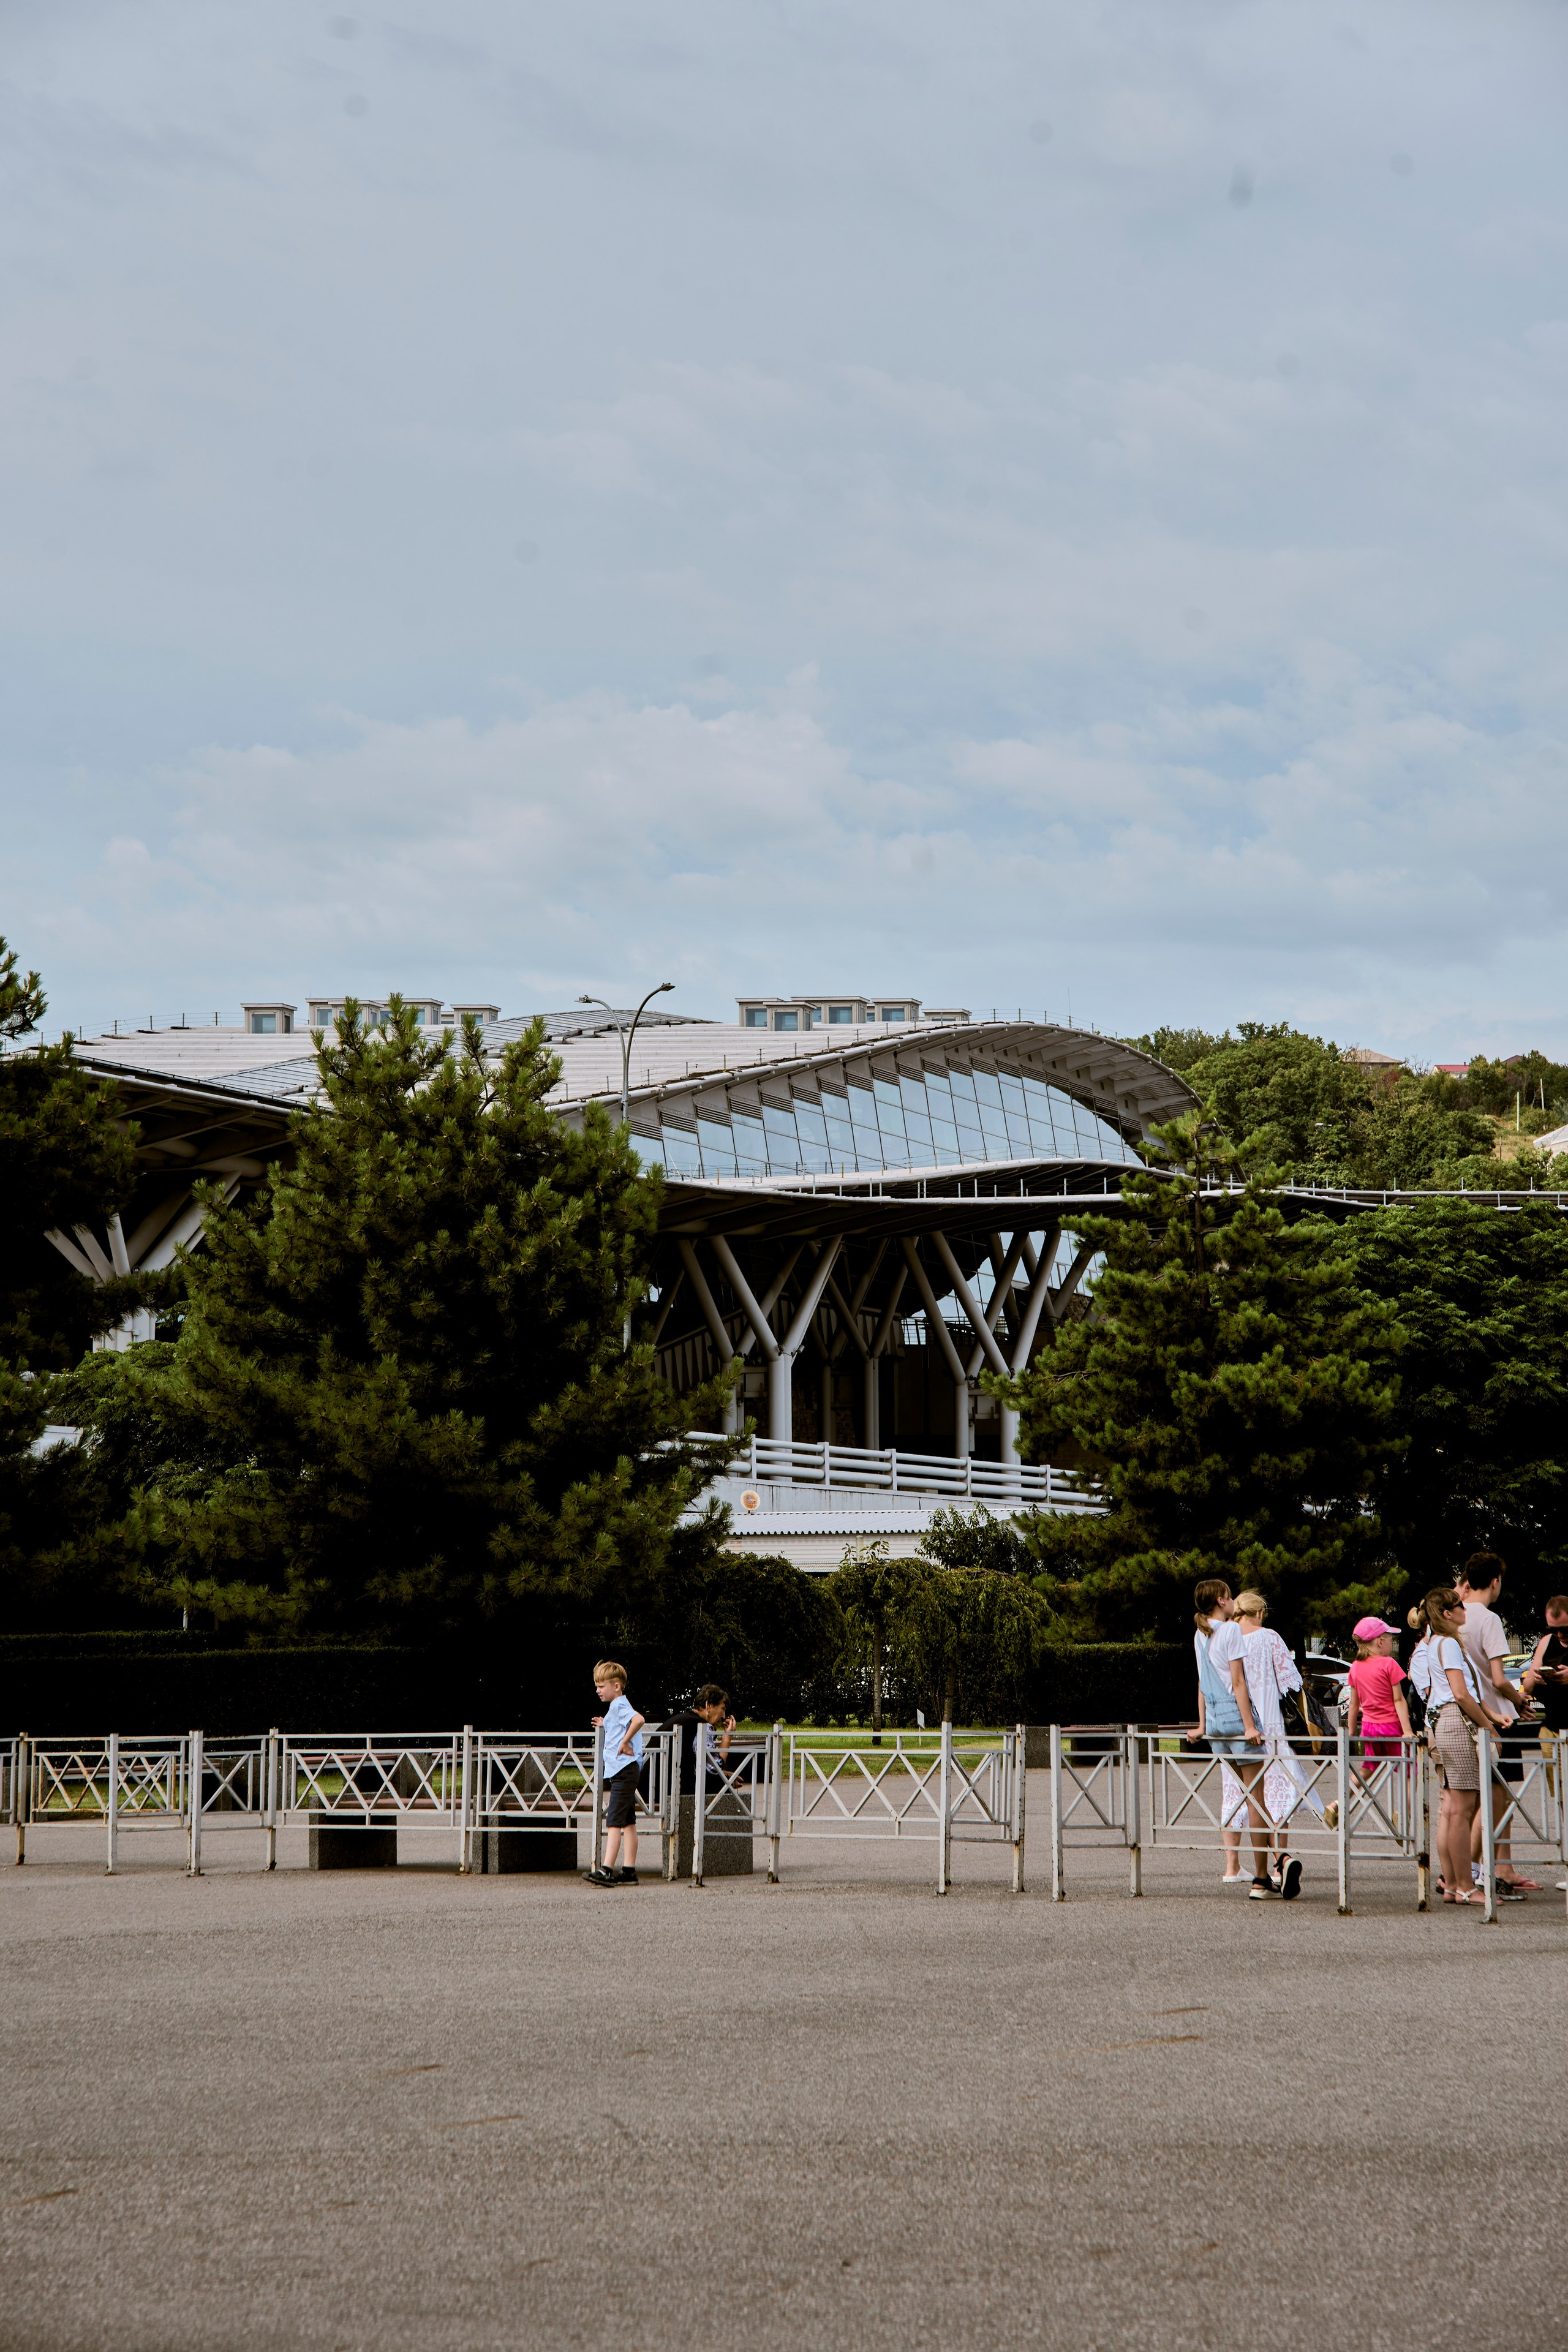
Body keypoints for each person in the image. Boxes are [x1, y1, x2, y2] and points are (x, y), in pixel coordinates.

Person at [1417, 1588, 1512, 1907]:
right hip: (1457, 1724)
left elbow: (1467, 1691)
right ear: (1447, 1613)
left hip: (1445, 1722)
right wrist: (1487, 1727)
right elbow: (1460, 1694)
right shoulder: (1449, 1645)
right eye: (1459, 1606)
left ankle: (1453, 1884)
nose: (1464, 1609)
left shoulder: (1440, 1643)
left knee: (1450, 1810)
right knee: (1461, 1810)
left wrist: (1492, 1714)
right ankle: (1465, 1887)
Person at [1232, 1590, 1330, 1900]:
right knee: (1279, 1797)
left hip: (1241, 1726)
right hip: (1272, 1723)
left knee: (1251, 1798)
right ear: (1259, 1613)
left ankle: (1260, 1871)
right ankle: (1280, 1863)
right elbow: (1290, 1682)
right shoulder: (1269, 1636)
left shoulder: (1227, 1638)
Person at [1456, 1552, 1541, 1894]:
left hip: (1467, 1716)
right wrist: (1520, 1698)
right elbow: (1498, 1677)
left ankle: (1497, 1867)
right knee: (1497, 1798)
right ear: (1495, 1581)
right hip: (1498, 1716)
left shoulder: (1455, 1617)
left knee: (1478, 1799)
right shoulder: (1488, 1619)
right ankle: (1477, 1871)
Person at [1191, 1579, 1268, 1891]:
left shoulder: (1200, 1633)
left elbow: (1202, 1682)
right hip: (1237, 1721)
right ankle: (1263, 1878)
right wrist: (1250, 1726)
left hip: (1215, 1724)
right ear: (1223, 1600)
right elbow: (1238, 1682)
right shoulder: (1231, 1630)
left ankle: (1260, 1868)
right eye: (1230, 1596)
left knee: (1244, 1794)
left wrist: (1202, 1725)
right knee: (1256, 1800)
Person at [1523, 1594, 1568, 1894]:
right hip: (1551, 1729)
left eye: (1566, 1628)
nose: (1561, 1634)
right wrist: (1535, 1676)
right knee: (1563, 1799)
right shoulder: (1546, 1641)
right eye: (1555, 1628)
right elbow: (1526, 1686)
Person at [586, 1660, 646, 1888]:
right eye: (597, 1686)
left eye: (602, 1686)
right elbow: (622, 1723)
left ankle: (606, 1869)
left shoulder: (620, 1705)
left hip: (623, 1770)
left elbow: (639, 1719)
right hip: (626, 1770)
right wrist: (606, 1723)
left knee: (614, 1820)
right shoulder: (616, 1708)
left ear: (617, 1686)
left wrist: (624, 1741)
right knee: (628, 1821)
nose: (598, 1690)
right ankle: (629, 1871)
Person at [1345, 1616, 1412, 1759]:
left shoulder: (1355, 1667)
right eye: (1391, 1640)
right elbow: (1399, 1700)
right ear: (1380, 1642)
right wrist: (1407, 1731)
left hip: (1369, 1727)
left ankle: (1352, 1783)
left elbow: (1354, 1704)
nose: (1392, 1644)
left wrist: (1350, 1733)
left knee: (1370, 1766)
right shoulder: (1389, 1663)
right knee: (1408, 1766)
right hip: (1391, 1725)